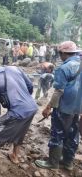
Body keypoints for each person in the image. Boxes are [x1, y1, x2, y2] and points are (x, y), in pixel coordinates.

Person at [0, 56, 37, 164]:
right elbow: (30, 86)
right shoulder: (14, 68)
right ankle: (14, 156)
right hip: (32, 107)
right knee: (21, 132)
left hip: (18, 110)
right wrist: (23, 98)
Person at [35, 41, 82, 171]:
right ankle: (68, 163)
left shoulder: (63, 68)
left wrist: (48, 107)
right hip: (78, 108)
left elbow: (58, 91)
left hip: (64, 107)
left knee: (58, 133)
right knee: (72, 134)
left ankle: (53, 163)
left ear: (63, 53)